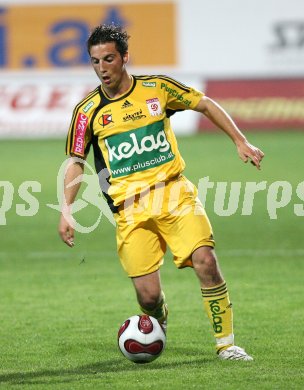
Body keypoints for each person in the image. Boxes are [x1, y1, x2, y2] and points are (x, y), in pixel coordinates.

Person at [58, 24, 264, 361]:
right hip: (129, 210)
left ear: (124, 57)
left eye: (109, 59)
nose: (102, 68)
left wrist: (240, 140)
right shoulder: (87, 112)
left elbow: (205, 104)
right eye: (95, 61)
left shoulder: (157, 88)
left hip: (175, 195)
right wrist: (66, 210)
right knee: (148, 296)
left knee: (206, 261)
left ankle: (227, 343)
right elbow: (76, 161)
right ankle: (159, 318)